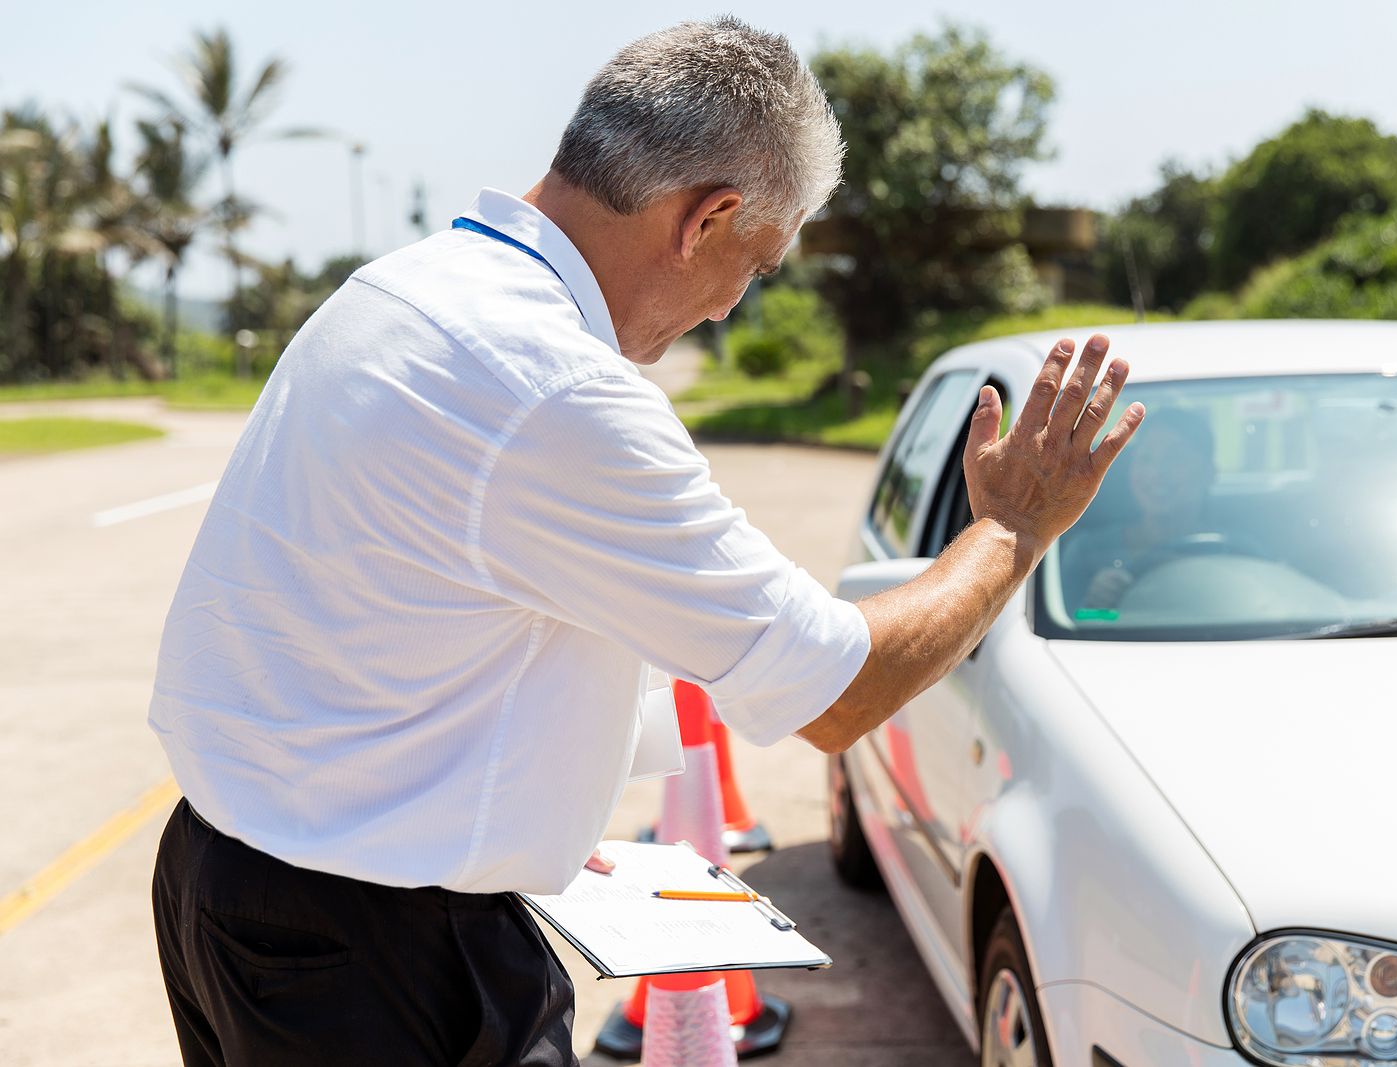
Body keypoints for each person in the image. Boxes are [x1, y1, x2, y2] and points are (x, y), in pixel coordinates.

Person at [147, 17, 1144, 1067]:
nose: (726, 310)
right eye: (753, 265)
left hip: (230, 881)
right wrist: (1010, 528)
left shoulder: (401, 289)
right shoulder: (557, 387)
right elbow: (837, 690)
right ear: (706, 216)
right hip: (379, 952)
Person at [1068, 408, 1215, 611]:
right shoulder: (1087, 551)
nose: (1156, 473)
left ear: (1209, 473)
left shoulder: (1238, 552)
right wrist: (1096, 608)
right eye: (1145, 458)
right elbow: (1078, 622)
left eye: (1175, 458)